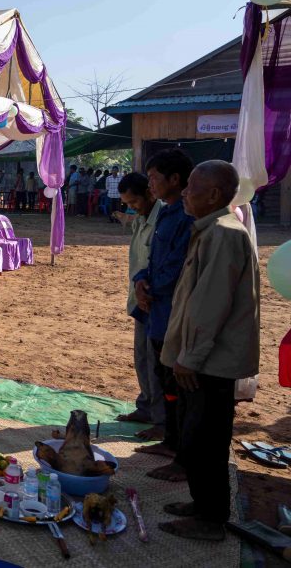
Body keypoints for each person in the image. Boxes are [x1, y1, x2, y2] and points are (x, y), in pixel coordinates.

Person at [158, 160, 260, 542]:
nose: (184, 193)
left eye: (191, 188)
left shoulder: (221, 233)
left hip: (210, 362)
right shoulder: (213, 230)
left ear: (214, 194)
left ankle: (210, 517)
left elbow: (210, 304)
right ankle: (202, 505)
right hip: (203, 358)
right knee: (196, 436)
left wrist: (191, 357)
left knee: (206, 441)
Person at [132, 148, 195, 482]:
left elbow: (177, 264)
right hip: (155, 308)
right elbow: (154, 259)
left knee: (174, 380)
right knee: (162, 372)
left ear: (175, 179)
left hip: (172, 311)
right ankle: (168, 435)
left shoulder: (187, 215)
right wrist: (140, 281)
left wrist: (151, 286)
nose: (150, 184)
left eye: (155, 178)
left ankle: (178, 445)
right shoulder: (167, 213)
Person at [115, 172, 165, 439]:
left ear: (149, 193)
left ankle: (161, 420)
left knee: (157, 362)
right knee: (142, 357)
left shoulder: (164, 219)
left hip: (156, 302)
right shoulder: (141, 220)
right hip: (139, 301)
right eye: (127, 203)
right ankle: (146, 406)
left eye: (134, 201)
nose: (131, 207)